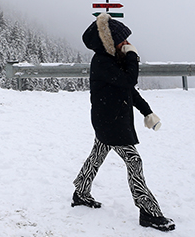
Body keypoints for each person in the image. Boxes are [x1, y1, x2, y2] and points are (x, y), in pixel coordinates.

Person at [72, 13, 175, 232]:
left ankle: (80, 192)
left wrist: (147, 112)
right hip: (111, 122)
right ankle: (149, 212)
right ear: (109, 42)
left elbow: (128, 89)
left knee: (97, 154)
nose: (127, 44)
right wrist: (133, 57)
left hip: (108, 120)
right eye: (123, 41)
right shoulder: (102, 62)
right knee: (134, 162)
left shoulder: (111, 61)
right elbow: (130, 80)